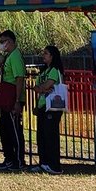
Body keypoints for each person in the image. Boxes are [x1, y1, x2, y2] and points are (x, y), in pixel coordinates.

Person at [0, 29, 26, 170]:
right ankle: (9, 158)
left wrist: (17, 101)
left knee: (14, 130)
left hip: (13, 97)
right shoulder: (8, 56)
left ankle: (18, 161)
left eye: (3, 42)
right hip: (6, 97)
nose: (1, 45)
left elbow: (19, 78)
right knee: (5, 129)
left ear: (10, 42)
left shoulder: (15, 56)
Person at [33, 44, 65, 175]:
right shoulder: (44, 71)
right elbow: (37, 88)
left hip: (52, 107)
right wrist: (41, 88)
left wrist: (42, 88)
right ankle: (43, 163)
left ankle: (54, 165)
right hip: (42, 106)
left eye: (46, 53)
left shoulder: (54, 70)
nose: (43, 55)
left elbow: (46, 85)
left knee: (50, 136)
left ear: (52, 56)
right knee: (41, 136)